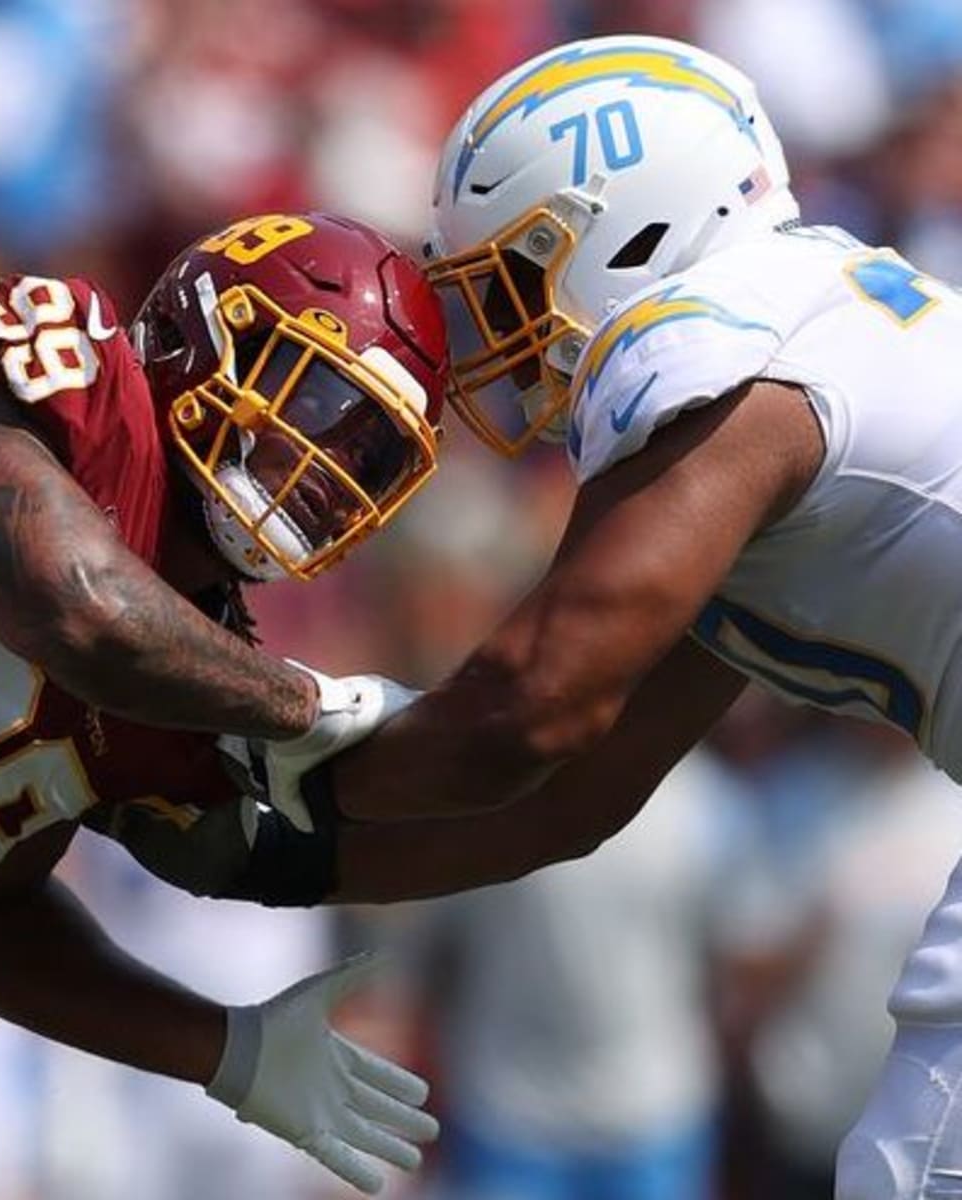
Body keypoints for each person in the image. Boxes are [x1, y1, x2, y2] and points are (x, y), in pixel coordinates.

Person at [248, 33, 962, 1200]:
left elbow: (530, 706)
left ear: (629, 228)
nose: (492, 335)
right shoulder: (806, 329)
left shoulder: (704, 336)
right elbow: (573, 797)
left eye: (515, 275)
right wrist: (286, 864)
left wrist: (254, 749)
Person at [0, 209, 446, 1199]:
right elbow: (75, 608)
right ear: (212, 331)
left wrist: (225, 1050)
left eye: (366, 453)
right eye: (314, 401)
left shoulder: (190, 683)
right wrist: (305, 704)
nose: (315, 466)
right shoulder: (73, 383)